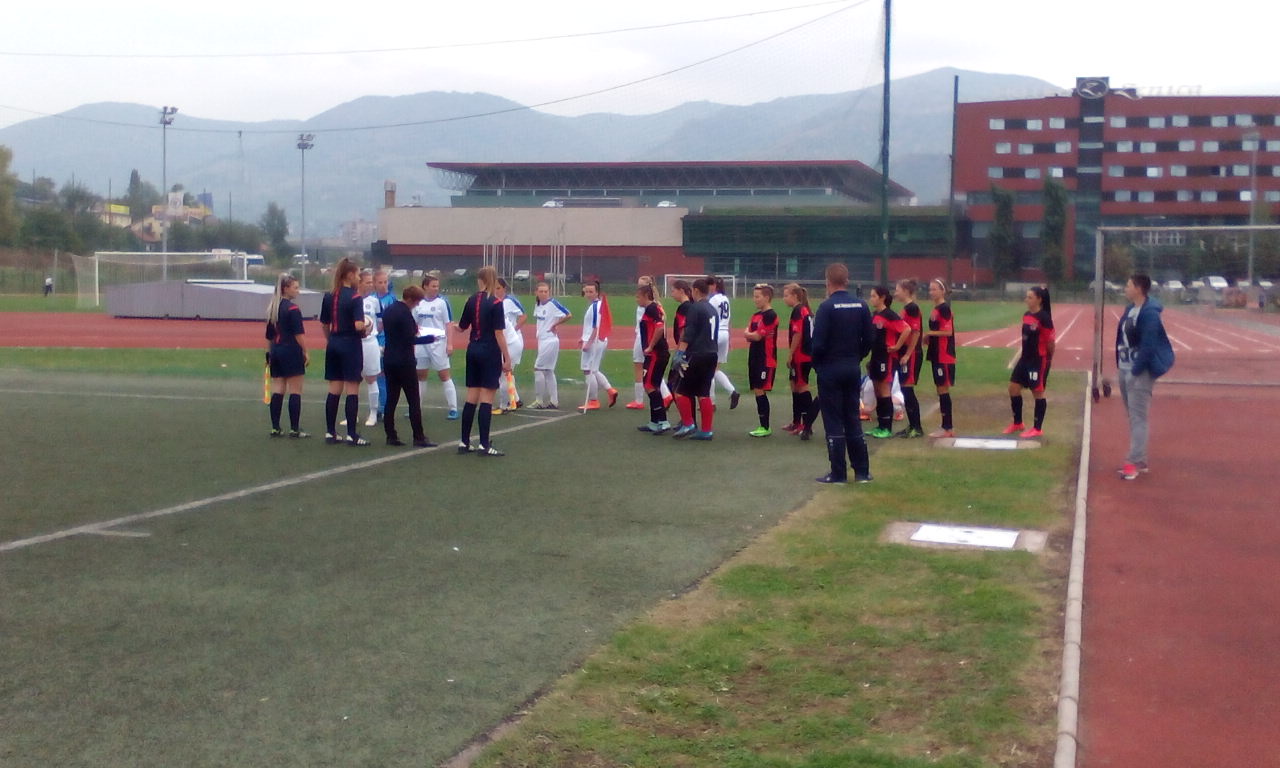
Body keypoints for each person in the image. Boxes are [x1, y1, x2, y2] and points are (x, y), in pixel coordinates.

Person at [811, 263, 874, 484]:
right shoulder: (861, 305)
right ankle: (862, 472)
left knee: (833, 421)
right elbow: (869, 339)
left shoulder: (826, 307)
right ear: (847, 280)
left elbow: (817, 343)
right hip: (851, 367)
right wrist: (857, 357)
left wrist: (818, 365)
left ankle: (838, 473)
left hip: (830, 368)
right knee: (853, 418)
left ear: (828, 281)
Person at [1116, 273, 1175, 481]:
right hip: (1125, 368)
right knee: (1133, 416)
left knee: (1138, 417)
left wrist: (1136, 371)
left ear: (1139, 288)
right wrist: (1121, 367)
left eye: (1128, 285)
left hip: (1138, 371)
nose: (1125, 289)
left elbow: (1149, 345)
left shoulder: (1149, 314)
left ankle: (1133, 462)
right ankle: (1139, 459)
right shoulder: (1129, 309)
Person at [455, 265, 511, 456]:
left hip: (473, 350)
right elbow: (499, 333)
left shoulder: (471, 300)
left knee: (471, 396)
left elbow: (462, 327)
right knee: (487, 397)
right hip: (489, 351)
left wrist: (452, 327)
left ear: (479, 280)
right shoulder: (495, 303)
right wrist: (507, 357)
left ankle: (464, 442)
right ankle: (484, 444)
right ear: (493, 280)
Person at [319, 257, 371, 445]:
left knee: (334, 389)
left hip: (333, 343)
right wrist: (366, 328)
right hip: (350, 344)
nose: (359, 278)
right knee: (352, 389)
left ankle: (330, 432)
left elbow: (324, 324)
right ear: (349, 275)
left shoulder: (329, 295)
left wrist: (331, 340)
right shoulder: (355, 297)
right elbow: (358, 325)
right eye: (357, 274)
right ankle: (351, 434)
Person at [381, 284, 438, 448]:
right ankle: (418, 436)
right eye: (417, 301)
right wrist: (429, 339)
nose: (417, 305)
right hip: (404, 360)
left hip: (389, 358)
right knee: (413, 399)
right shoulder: (405, 313)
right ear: (411, 300)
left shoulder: (389, 310)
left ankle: (390, 435)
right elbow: (409, 338)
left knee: (391, 399)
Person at [671, 278, 720, 440]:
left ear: (696, 291)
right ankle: (707, 430)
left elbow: (689, 333)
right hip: (712, 353)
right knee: (703, 393)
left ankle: (688, 424)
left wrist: (680, 353)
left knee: (680, 390)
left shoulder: (695, 308)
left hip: (697, 353)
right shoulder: (712, 309)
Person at [1004, 286, 1056, 439]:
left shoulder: (1045, 318)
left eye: (1030, 297)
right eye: (1026, 297)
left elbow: (1050, 342)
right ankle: (1018, 423)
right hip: (1025, 359)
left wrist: (1048, 358)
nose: (1026, 300)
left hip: (1037, 360)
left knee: (1037, 392)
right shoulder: (1026, 315)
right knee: (1013, 388)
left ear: (1039, 299)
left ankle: (1037, 428)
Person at [264, 273, 309, 438]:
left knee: (278, 389)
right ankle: (294, 429)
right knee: (295, 390)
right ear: (286, 289)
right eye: (295, 288)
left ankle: (275, 427)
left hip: (276, 351)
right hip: (291, 351)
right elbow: (299, 335)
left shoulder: (273, 308)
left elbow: (269, 336)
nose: (298, 291)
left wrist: (269, 353)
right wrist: (305, 351)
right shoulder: (292, 309)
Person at [866, 285, 910, 439]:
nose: (871, 299)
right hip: (875, 356)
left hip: (886, 358)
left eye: (873, 296)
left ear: (882, 298)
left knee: (884, 391)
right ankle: (880, 425)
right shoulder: (874, 315)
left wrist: (897, 346)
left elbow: (906, 329)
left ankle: (886, 427)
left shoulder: (890, 315)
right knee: (877, 390)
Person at [413, 273, 459, 420]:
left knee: (444, 375)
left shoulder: (442, 302)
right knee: (420, 375)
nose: (436, 289)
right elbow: (414, 323)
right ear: (425, 287)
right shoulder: (418, 302)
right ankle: (416, 407)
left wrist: (449, 343)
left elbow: (448, 324)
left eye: (437, 286)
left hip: (438, 343)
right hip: (421, 343)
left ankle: (453, 408)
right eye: (433, 286)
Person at [626, 275, 674, 410]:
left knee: (640, 366)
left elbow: (659, 325)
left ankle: (640, 400)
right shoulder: (657, 304)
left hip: (644, 337)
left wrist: (652, 343)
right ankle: (665, 395)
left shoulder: (647, 305)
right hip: (645, 336)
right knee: (650, 369)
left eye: (641, 285)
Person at [780, 283, 820, 441]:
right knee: (795, 385)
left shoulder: (799, 310)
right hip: (804, 354)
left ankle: (806, 424)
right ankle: (797, 422)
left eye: (786, 295)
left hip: (801, 355)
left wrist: (790, 354)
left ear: (795, 296)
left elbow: (798, 334)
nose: (784, 299)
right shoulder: (804, 310)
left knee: (802, 386)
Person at [921, 277, 957, 438]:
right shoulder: (936, 309)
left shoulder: (944, 309)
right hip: (936, 353)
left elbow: (948, 332)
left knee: (943, 389)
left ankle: (947, 428)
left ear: (943, 291)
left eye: (934, 289)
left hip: (944, 355)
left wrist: (929, 333)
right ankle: (946, 426)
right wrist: (929, 338)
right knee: (940, 388)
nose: (931, 292)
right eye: (930, 289)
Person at [634, 283, 672, 433]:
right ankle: (654, 421)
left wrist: (650, 346)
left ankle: (662, 420)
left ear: (645, 296)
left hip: (656, 353)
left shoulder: (651, 309)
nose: (637, 299)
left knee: (649, 385)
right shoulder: (653, 308)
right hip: (655, 353)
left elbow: (659, 327)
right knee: (652, 385)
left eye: (638, 297)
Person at [744, 283, 780, 437]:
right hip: (754, 357)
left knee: (760, 389)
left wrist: (750, 334)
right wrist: (750, 334)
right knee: (757, 390)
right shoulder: (756, 315)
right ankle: (763, 426)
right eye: (754, 296)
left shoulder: (770, 315)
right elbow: (748, 334)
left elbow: (757, 336)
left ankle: (765, 426)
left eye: (757, 296)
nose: (755, 299)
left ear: (767, 297)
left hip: (765, 359)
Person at [578, 280, 618, 412]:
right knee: (594, 369)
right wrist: (583, 338)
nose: (588, 294)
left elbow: (596, 326)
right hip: (598, 340)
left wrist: (588, 343)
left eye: (591, 291)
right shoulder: (596, 305)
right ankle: (610, 390)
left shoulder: (596, 306)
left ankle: (593, 400)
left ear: (597, 293)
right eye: (586, 291)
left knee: (588, 370)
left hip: (594, 341)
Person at [893, 278, 925, 438]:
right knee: (905, 389)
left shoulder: (912, 308)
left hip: (911, 354)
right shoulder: (907, 308)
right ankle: (912, 425)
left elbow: (915, 332)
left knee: (907, 389)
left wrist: (907, 354)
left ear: (906, 291)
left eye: (897, 289)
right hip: (906, 353)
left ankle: (916, 427)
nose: (895, 293)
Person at [532, 281, 571, 409]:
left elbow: (568, 314)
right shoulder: (537, 304)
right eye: (541, 291)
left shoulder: (553, 303)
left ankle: (539, 401)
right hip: (542, 340)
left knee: (538, 369)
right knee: (548, 371)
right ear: (536, 292)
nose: (544, 294)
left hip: (550, 340)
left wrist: (555, 324)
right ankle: (554, 401)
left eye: (546, 291)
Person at [706, 274, 741, 409]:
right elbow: (729, 319)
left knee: (709, 369)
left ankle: (711, 402)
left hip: (715, 334)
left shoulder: (712, 300)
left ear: (714, 286)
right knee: (715, 369)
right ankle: (732, 391)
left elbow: (708, 318)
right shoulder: (725, 299)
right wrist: (729, 338)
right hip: (725, 333)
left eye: (709, 285)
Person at [493, 278, 526, 414]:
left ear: (504, 289)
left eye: (498, 288)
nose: (495, 291)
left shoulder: (508, 302)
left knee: (504, 374)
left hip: (511, 341)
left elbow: (523, 316)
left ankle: (504, 405)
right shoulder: (494, 304)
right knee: (507, 374)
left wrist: (514, 329)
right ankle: (515, 400)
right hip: (505, 340)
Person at [357, 270, 383, 427]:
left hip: (370, 343)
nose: (371, 285)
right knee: (353, 379)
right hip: (354, 344)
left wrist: (371, 332)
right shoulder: (352, 299)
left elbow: (380, 321)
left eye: (371, 282)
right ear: (359, 283)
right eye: (367, 282)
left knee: (372, 378)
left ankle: (373, 413)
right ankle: (352, 414)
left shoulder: (374, 301)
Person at [665, 280, 694, 403]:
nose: (671, 294)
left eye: (673, 291)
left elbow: (683, 331)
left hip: (684, 350)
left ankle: (686, 414)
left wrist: (679, 352)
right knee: (684, 383)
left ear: (681, 291)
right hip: (690, 349)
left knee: (675, 383)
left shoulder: (684, 308)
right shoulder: (691, 306)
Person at [373, 270, 395, 419]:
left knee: (383, 374)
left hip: (386, 340)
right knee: (374, 374)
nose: (383, 285)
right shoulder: (371, 299)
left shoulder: (391, 299)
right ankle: (378, 406)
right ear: (374, 284)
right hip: (372, 340)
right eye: (380, 282)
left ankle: (384, 407)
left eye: (385, 282)